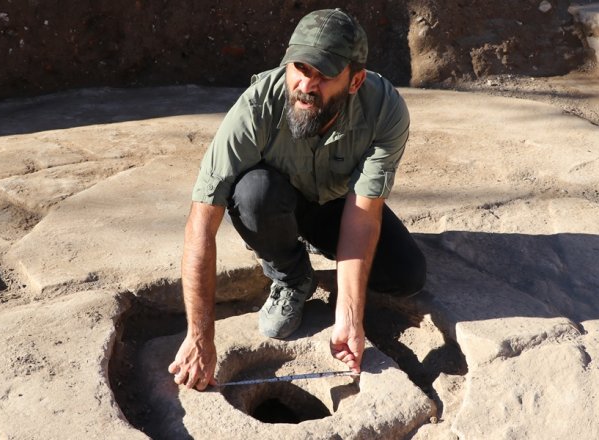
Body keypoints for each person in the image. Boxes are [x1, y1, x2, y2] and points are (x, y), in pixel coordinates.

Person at [168, 8, 426, 391]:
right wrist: (199, 335)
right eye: (301, 68)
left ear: (355, 81)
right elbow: (201, 223)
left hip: (338, 204)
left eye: (324, 75)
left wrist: (350, 317)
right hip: (275, 201)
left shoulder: (384, 109)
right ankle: (291, 275)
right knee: (253, 192)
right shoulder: (256, 107)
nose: (306, 84)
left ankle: (313, 249)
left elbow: (363, 214)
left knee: (406, 275)